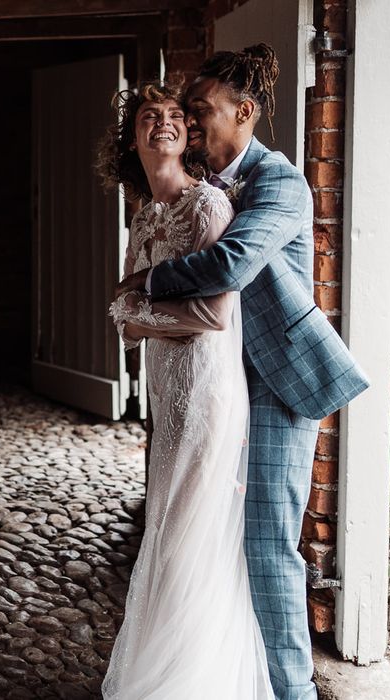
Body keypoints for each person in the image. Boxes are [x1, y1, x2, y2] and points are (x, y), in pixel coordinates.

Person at [115, 45, 369, 700]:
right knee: (215, 543)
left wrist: (149, 282)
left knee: (267, 548)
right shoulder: (209, 182)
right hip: (222, 385)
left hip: (281, 385)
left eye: (201, 110)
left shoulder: (278, 183)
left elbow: (229, 266)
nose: (191, 122)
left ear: (245, 112)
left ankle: (293, 694)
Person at [98, 81, 275, 699]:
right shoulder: (145, 214)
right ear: (133, 139)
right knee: (166, 536)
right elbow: (126, 315)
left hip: (205, 400)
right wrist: (132, 316)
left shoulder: (208, 208)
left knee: (183, 546)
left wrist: (135, 314)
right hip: (166, 405)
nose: (165, 122)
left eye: (176, 114)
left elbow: (212, 317)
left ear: (189, 135)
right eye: (150, 116)